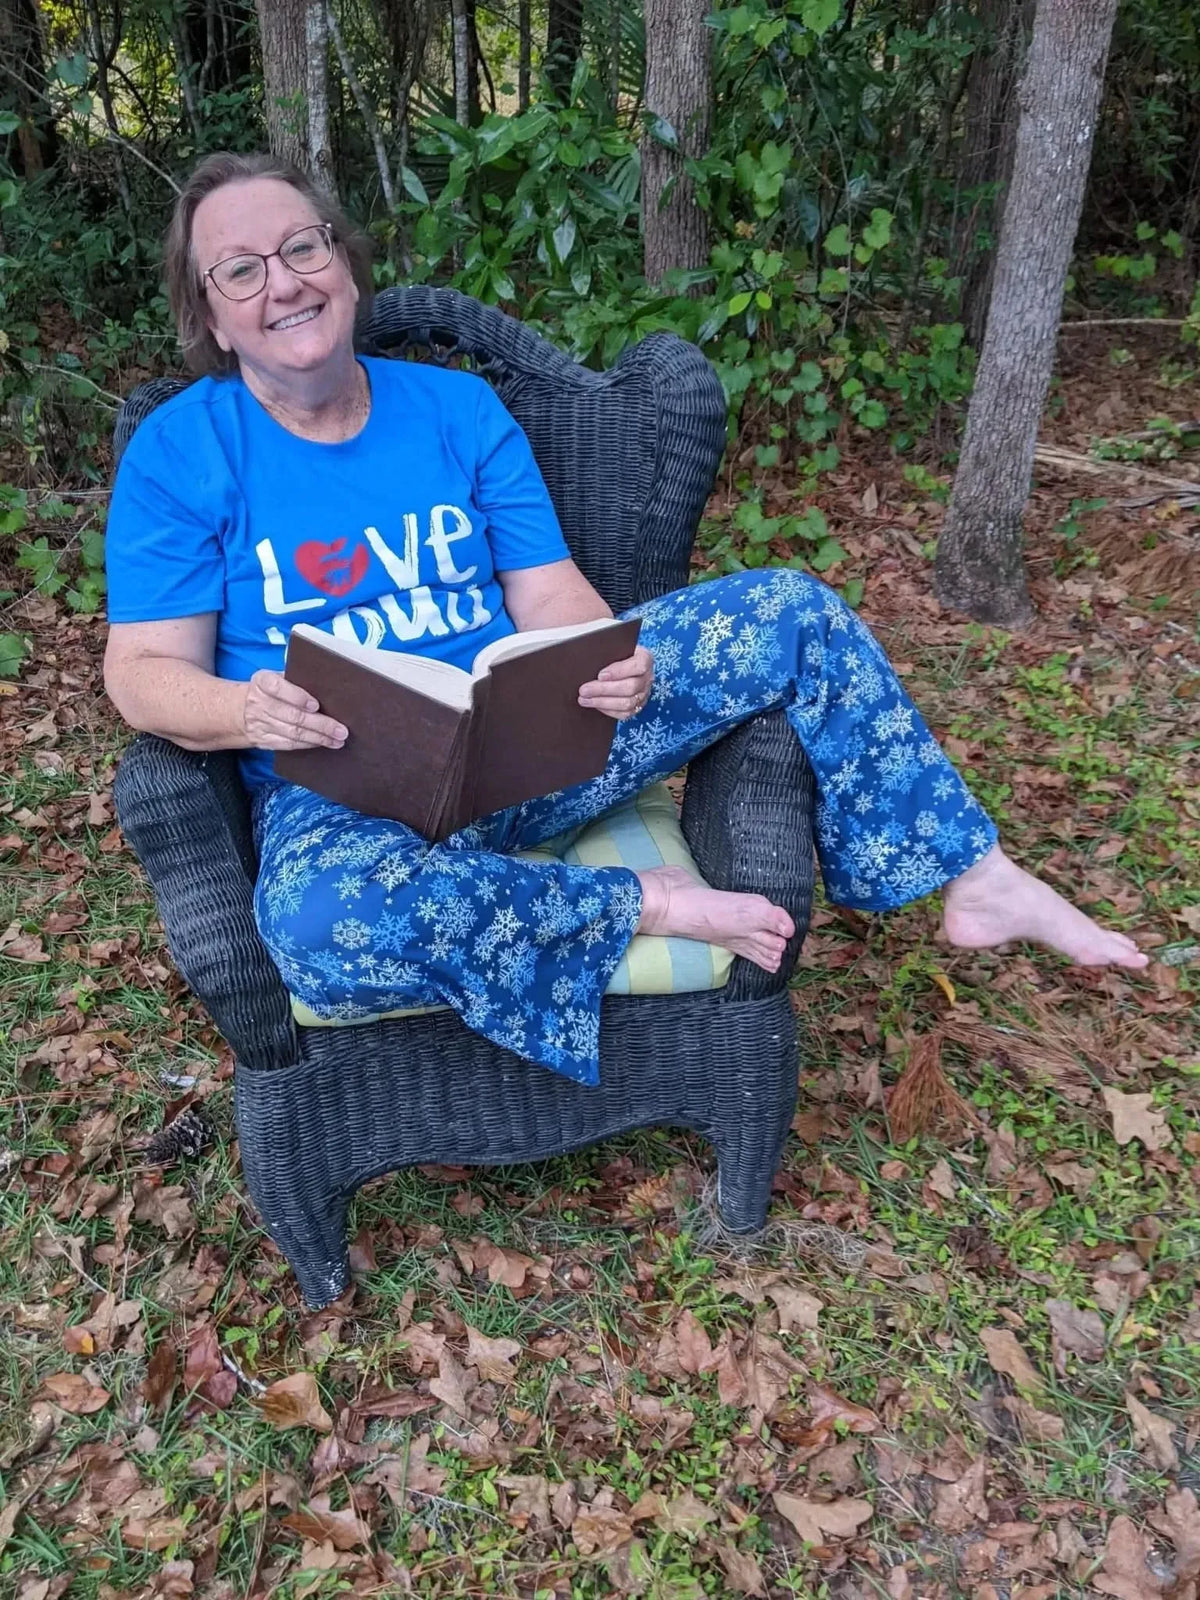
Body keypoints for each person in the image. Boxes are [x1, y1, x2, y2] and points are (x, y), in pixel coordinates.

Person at [103, 152, 1146, 1085]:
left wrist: (600, 662)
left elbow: (550, 588)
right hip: (338, 796)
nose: (283, 282)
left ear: (344, 258)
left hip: (527, 750)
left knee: (787, 607)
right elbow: (142, 671)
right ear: (209, 309)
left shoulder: (455, 409)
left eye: (301, 246)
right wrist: (251, 710)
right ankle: (638, 905)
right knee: (314, 924)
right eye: (241, 269)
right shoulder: (183, 451)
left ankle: (978, 876)